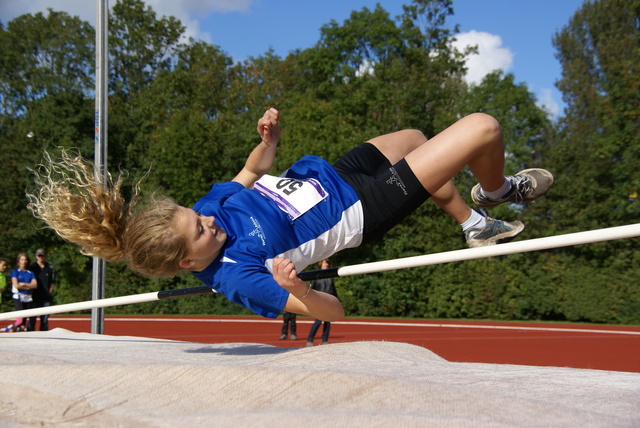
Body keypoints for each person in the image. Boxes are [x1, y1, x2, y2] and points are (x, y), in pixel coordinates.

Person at [27, 108, 553, 322]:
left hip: (334, 173)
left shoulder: (212, 208)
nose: (210, 221)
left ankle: (474, 225)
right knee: (482, 128)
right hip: (361, 209)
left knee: (416, 138)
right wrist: (299, 290)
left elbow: (250, 172)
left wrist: (268, 144)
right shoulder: (237, 277)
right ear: (189, 263)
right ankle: (496, 191)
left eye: (196, 214)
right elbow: (334, 314)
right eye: (201, 231)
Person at [306, 259, 338, 346]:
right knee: (318, 321)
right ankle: (310, 339)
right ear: (321, 264)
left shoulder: (330, 276)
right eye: (325, 262)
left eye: (327, 263)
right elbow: (312, 289)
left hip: (329, 301)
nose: (326, 264)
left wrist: (336, 299)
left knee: (328, 321)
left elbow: (333, 288)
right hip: (319, 301)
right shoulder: (316, 275)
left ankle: (325, 340)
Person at [28, 248, 55, 331]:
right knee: (32, 318)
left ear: (45, 256)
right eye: (39, 255)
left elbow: (52, 282)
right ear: (36, 256)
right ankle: (30, 334)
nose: (41, 257)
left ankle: (44, 335)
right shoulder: (32, 267)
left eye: (42, 255)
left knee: (44, 319)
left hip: (45, 297)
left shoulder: (50, 268)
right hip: (34, 296)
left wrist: (49, 292)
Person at [10, 253, 37, 331]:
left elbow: (35, 285)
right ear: (18, 261)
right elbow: (16, 285)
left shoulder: (30, 273)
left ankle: (20, 333)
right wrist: (29, 286)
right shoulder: (15, 272)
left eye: (25, 260)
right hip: (18, 297)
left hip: (28, 297)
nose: (24, 261)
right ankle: (12, 329)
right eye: (22, 259)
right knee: (20, 318)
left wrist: (24, 284)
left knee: (24, 320)